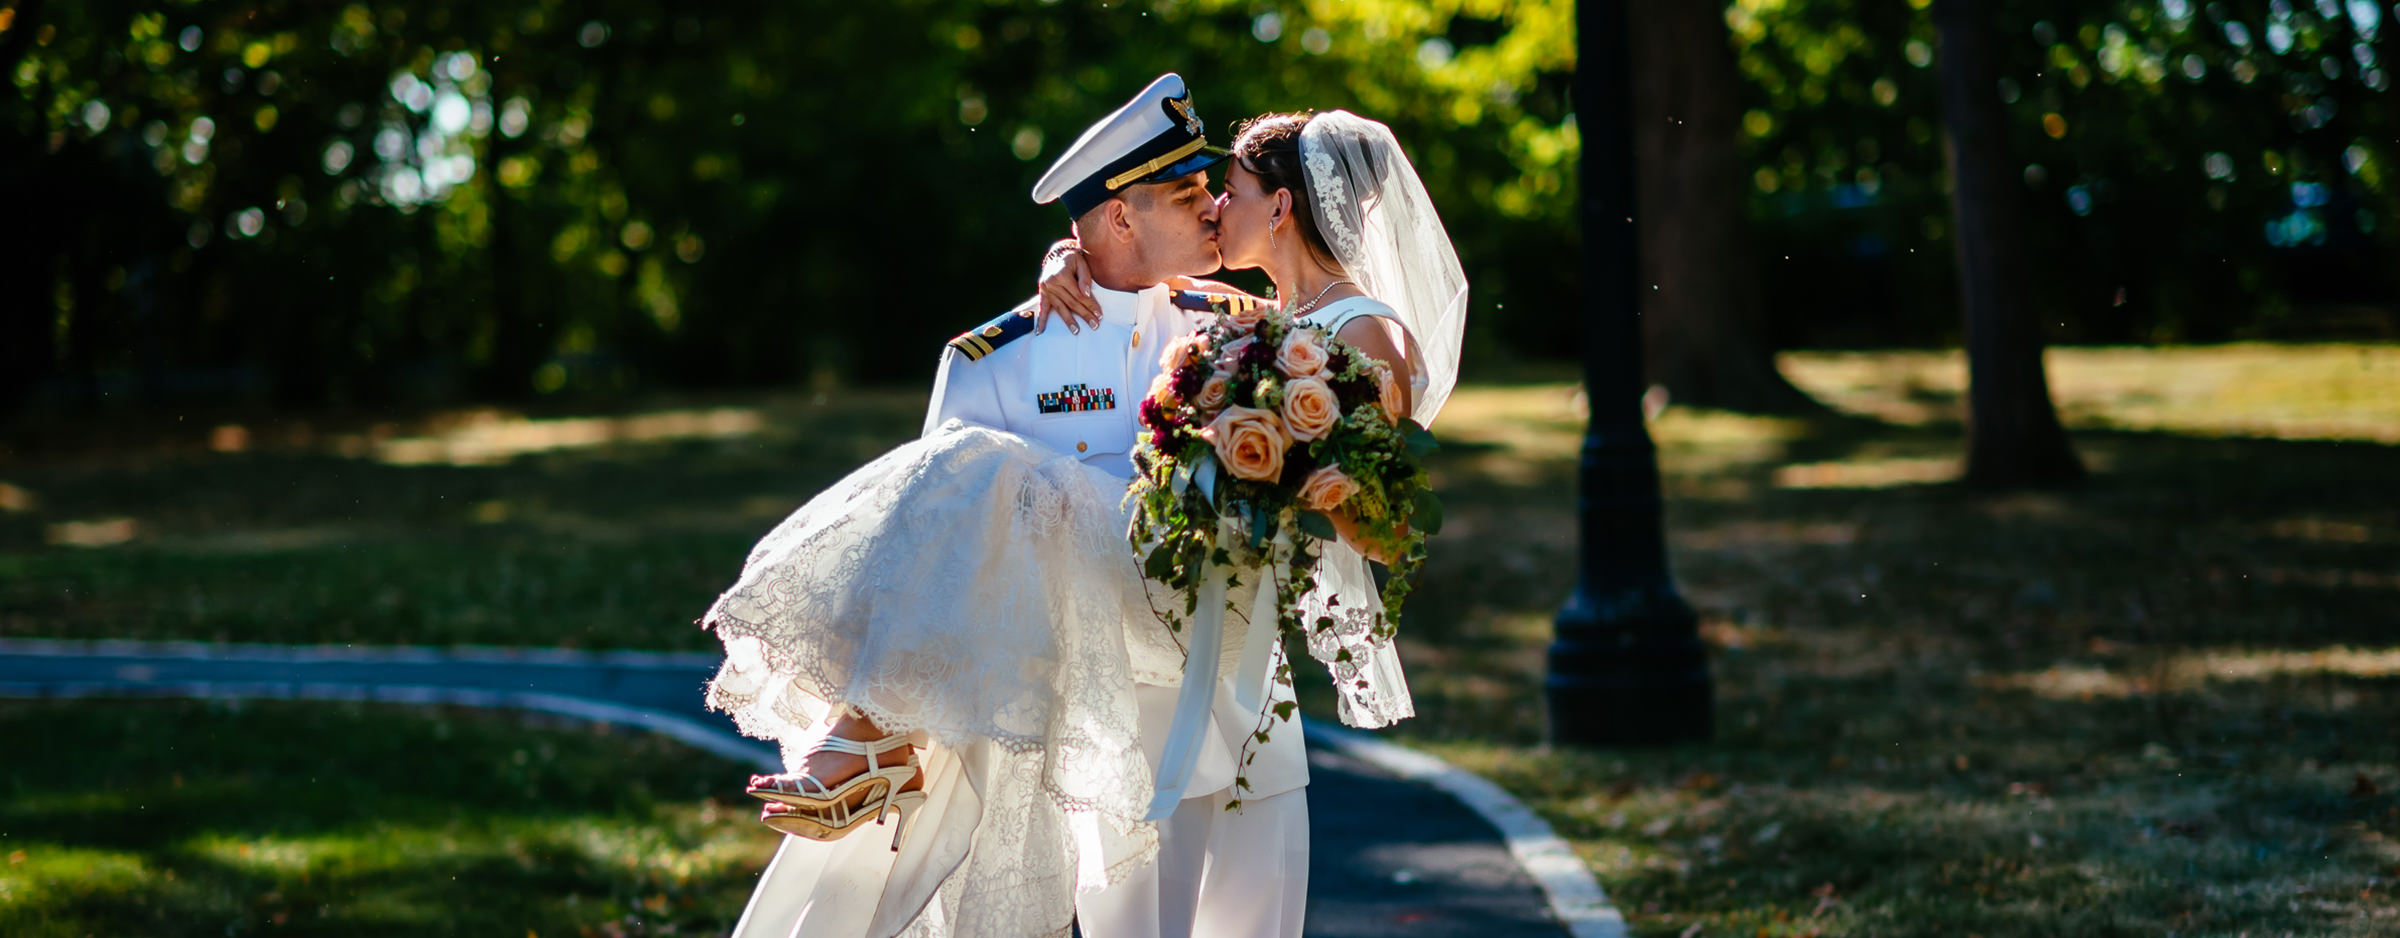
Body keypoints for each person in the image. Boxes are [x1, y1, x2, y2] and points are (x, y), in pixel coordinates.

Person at [698, 75, 1315, 938]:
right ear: (1120, 219)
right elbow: (938, 565)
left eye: (1211, 187)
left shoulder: (1244, 324)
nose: (1214, 206)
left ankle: (862, 735)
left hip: (1244, 694)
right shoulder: (995, 360)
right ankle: (872, 728)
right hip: (1119, 723)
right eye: (1184, 194)